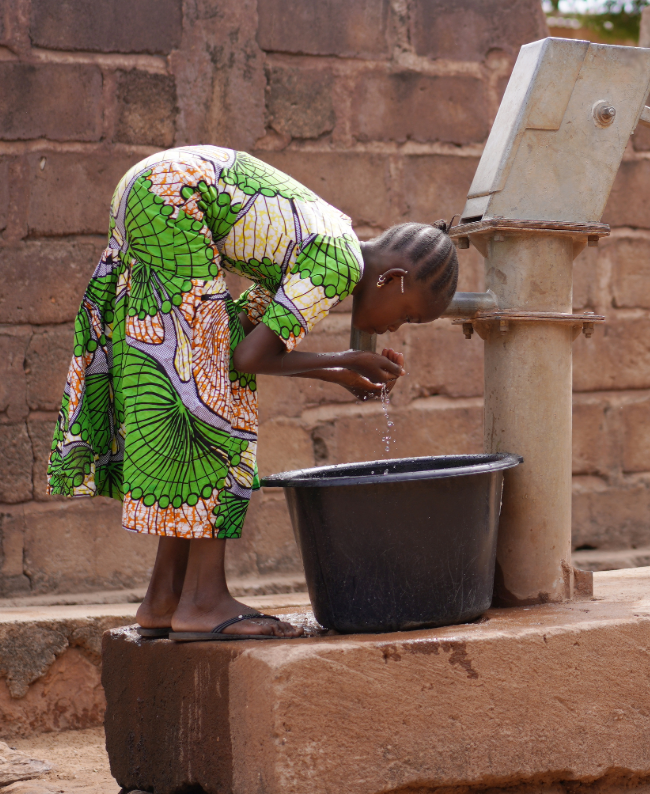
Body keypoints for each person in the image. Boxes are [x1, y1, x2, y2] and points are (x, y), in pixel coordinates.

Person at [46, 146, 460, 639]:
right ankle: (203, 601)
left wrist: (344, 366)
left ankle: (165, 596)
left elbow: (240, 333)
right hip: (175, 197)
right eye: (408, 315)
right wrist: (339, 367)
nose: (397, 327)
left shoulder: (325, 237)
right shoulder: (340, 262)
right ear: (393, 280)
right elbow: (249, 360)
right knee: (218, 399)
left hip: (153, 188)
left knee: (193, 385)